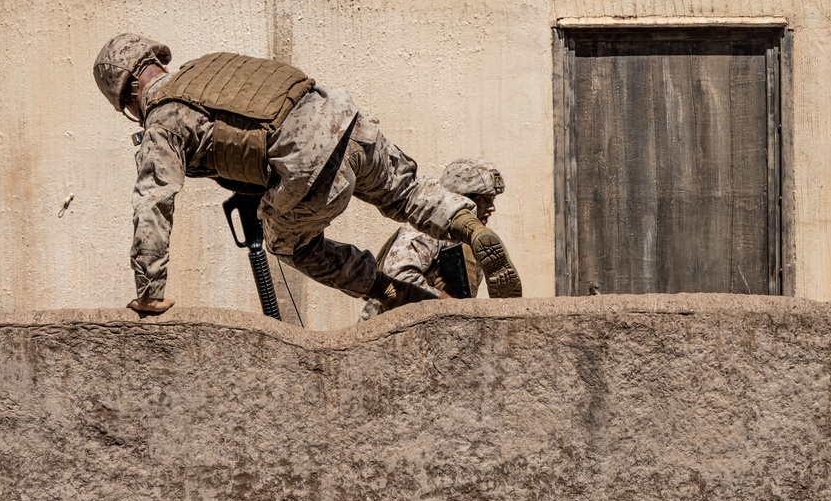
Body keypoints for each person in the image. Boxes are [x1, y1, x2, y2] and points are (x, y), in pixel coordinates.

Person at [92, 33, 522, 315]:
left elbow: (154, 201)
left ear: (128, 94)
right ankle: (468, 225)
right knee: (405, 192)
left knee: (290, 244)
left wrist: (150, 288)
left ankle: (387, 289)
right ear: (156, 62)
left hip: (305, 160)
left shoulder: (163, 118)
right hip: (347, 118)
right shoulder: (207, 66)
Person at [359, 158, 506, 321]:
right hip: (392, 328)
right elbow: (399, 277)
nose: (491, 208)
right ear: (461, 198)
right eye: (482, 200)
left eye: (492, 200)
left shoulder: (468, 241)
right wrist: (450, 306)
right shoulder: (429, 229)